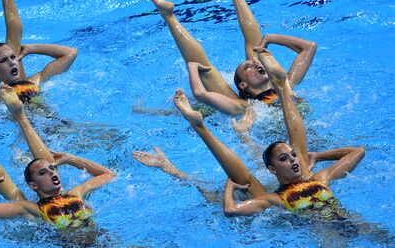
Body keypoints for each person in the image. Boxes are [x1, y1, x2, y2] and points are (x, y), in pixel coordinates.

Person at [134, 47, 364, 218]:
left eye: (291, 156)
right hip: (325, 235)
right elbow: (230, 209)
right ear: (273, 169)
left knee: (256, 173)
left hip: (351, 223)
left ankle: (204, 128)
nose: (293, 160)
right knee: (238, 184)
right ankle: (200, 129)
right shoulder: (274, 198)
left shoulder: (318, 177)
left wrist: (318, 155)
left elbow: (358, 151)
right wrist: (228, 187)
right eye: (285, 158)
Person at [147, 0, 316, 116]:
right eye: (248, 68)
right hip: (281, 142)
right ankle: (169, 17)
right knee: (205, 71)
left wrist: (271, 37)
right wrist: (193, 68)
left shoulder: (285, 84)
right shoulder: (245, 108)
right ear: (243, 85)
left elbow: (310, 47)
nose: (256, 64)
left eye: (252, 65)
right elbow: (200, 92)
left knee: (256, 48)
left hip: (294, 142)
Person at [0, 83, 115, 228]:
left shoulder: (76, 193)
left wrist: (70, 158)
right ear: (34, 186)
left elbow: (108, 175)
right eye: (43, 173)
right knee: (12, 188)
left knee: (39, 168)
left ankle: (19, 117)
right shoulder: (31, 209)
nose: (52, 172)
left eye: (52, 170)